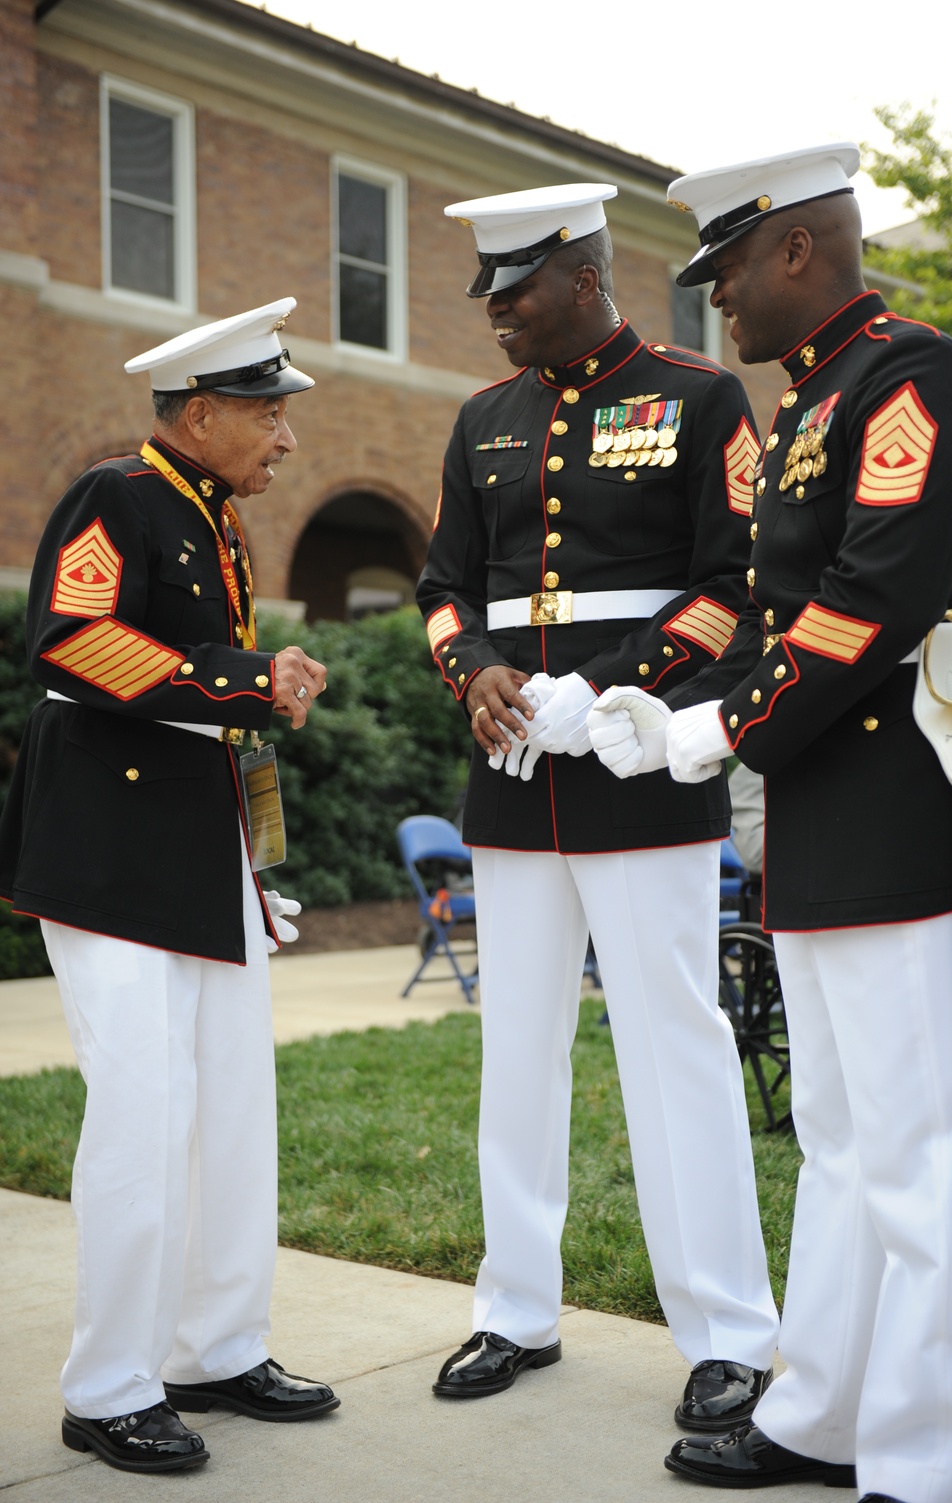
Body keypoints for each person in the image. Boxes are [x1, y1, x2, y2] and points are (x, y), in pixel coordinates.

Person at [588, 144, 952, 1502]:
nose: (715, 303)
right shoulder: (816, 402)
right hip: (828, 825)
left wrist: (720, 727)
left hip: (907, 822)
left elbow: (875, 602)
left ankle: (939, 1458)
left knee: (930, 1149)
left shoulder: (912, 377)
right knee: (838, 1134)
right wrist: (647, 703)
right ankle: (824, 1413)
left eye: (728, 272)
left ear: (801, 251)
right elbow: (769, 617)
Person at [416, 184, 779, 1419]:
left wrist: (610, 689)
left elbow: (734, 588)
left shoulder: (698, 395)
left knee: (677, 1046)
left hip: (634, 767)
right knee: (514, 1050)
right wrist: (474, 677)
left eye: (514, 292)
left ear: (581, 273)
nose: (497, 317)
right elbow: (440, 589)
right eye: (490, 297)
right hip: (513, 776)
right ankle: (513, 1308)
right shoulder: (482, 420)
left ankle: (729, 1330)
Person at [0, 300, 339, 1474]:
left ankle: (215, 1344)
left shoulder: (218, 522)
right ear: (201, 414)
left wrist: (259, 717)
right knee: (142, 1116)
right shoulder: (116, 495)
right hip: (109, 848)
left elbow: (211, 704)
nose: (285, 440)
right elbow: (68, 641)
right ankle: (106, 1385)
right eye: (269, 414)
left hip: (202, 845)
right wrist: (247, 676)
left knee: (233, 1111)